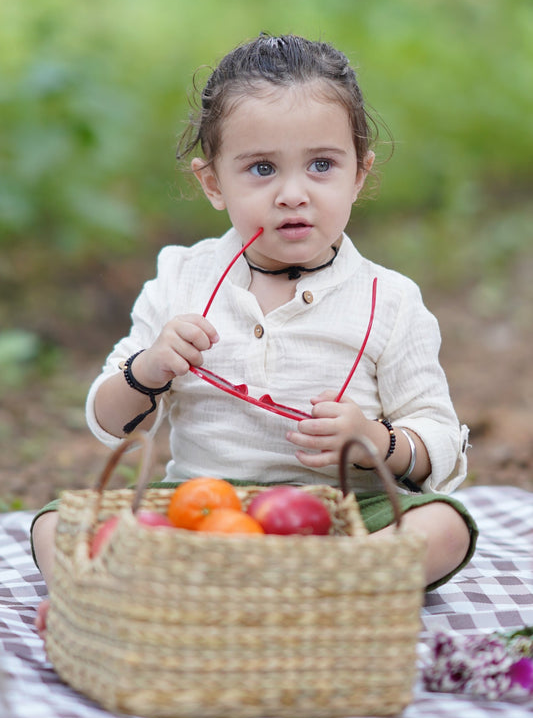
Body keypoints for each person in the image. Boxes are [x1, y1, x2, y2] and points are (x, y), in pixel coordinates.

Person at [32, 33, 477, 634]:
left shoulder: (389, 300)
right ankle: (306, 608)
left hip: (343, 519)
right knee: (53, 526)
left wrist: (374, 438)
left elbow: (439, 442)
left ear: (359, 173)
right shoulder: (181, 278)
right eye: (261, 168)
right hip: (201, 509)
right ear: (213, 182)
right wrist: (150, 367)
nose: (293, 193)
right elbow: (108, 422)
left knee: (443, 527)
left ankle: (200, 604)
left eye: (322, 165)